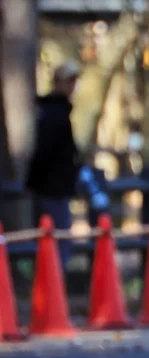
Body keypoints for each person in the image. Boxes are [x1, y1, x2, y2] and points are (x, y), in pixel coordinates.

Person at [26, 60, 82, 265]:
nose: (72, 86)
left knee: (56, 238)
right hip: (52, 188)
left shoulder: (56, 111)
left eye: (74, 81)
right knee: (57, 240)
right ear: (57, 82)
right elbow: (47, 151)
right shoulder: (54, 113)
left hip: (54, 186)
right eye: (68, 81)